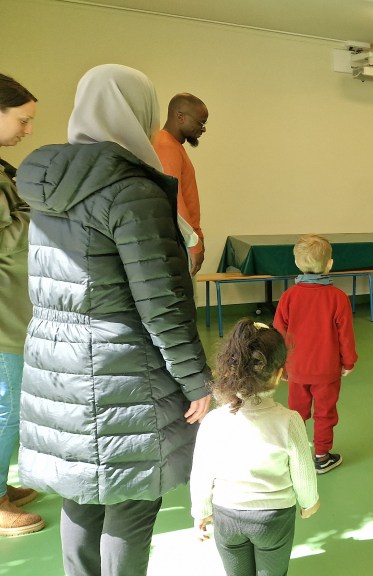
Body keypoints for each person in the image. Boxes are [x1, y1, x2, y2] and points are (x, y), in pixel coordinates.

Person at [16, 64, 212, 574]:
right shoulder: (132, 190)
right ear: (138, 112)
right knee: (132, 499)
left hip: (55, 362)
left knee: (80, 493)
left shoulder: (47, 185)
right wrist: (196, 380)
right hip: (120, 368)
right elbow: (161, 301)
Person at [191, 319, 320, 576]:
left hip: (227, 515)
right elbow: (303, 469)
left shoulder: (213, 421)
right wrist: (309, 502)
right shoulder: (289, 420)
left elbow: (202, 472)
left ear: (229, 370)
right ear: (279, 373)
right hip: (274, 519)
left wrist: (201, 511)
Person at [273, 234, 358, 474]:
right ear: (329, 264)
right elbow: (345, 335)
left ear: (297, 263)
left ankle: (295, 455)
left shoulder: (289, 297)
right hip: (327, 371)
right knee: (325, 414)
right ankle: (321, 457)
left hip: (296, 370)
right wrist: (348, 361)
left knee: (296, 414)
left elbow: (278, 334)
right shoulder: (338, 298)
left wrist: (281, 364)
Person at [0, 73, 43, 537]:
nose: (27, 130)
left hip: (11, 311)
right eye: (22, 120)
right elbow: (7, 237)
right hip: (2, 319)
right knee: (7, 407)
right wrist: (34, 212)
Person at [154, 92, 209, 276]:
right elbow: (174, 198)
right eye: (200, 123)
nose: (203, 129)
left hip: (184, 238)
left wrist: (198, 235)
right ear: (180, 117)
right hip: (179, 240)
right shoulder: (166, 146)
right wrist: (193, 243)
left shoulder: (173, 145)